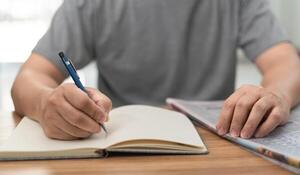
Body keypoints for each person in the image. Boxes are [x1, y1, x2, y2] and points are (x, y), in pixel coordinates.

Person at [11, 0, 300, 140]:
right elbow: (29, 79)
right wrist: (45, 103)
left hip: (215, 145)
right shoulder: (92, 4)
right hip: (118, 151)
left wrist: (276, 95)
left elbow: (286, 63)